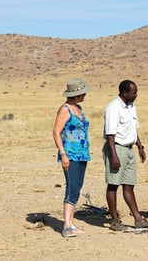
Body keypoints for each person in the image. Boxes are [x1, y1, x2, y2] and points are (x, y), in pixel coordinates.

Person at [103, 80, 148, 231]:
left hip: (129, 149)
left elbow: (133, 129)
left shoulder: (131, 106)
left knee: (129, 185)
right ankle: (114, 221)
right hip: (117, 148)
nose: (136, 95)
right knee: (113, 184)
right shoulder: (113, 108)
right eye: (133, 92)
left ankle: (138, 219)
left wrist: (140, 146)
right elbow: (110, 134)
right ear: (124, 93)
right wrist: (114, 156)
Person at [53, 79, 92, 237]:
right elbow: (56, 132)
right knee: (72, 186)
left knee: (77, 186)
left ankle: (71, 223)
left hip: (82, 154)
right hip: (70, 154)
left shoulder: (79, 108)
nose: (85, 95)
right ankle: (66, 226)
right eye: (83, 93)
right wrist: (63, 154)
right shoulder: (65, 109)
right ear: (76, 95)